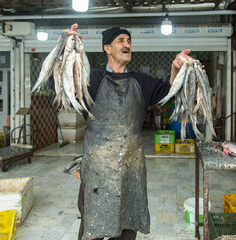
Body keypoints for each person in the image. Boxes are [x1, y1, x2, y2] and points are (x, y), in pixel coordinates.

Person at [65, 23, 192, 240]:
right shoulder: (92, 80)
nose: (127, 45)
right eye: (121, 41)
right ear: (107, 48)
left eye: (129, 41)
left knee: (127, 227)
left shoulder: (141, 82)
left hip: (130, 171)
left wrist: (176, 71)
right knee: (92, 228)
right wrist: (68, 50)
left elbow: (170, 94)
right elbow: (63, 81)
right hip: (98, 172)